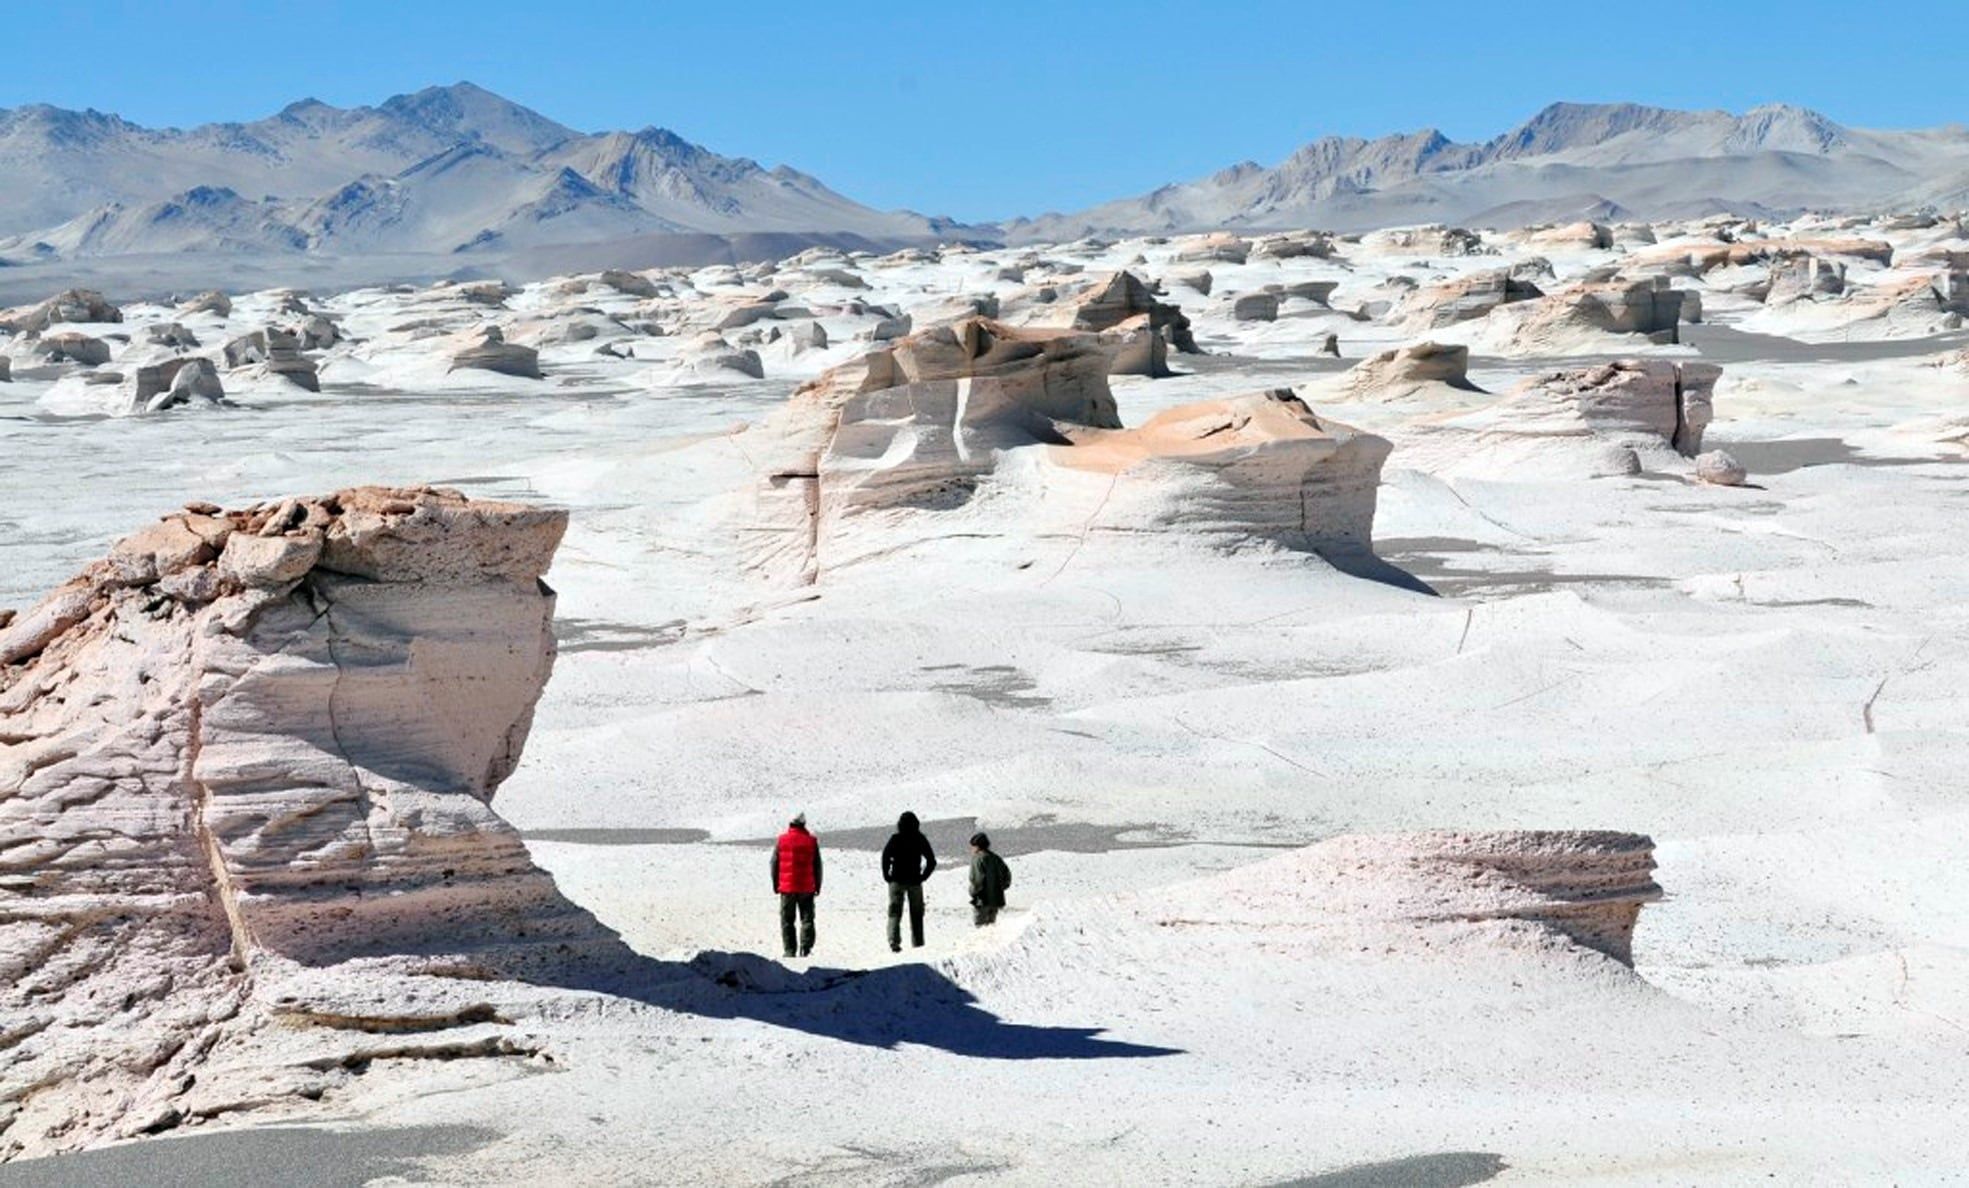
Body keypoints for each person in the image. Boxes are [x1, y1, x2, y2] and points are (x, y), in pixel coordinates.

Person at [880, 811, 937, 952]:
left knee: (894, 912)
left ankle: (894, 941)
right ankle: (918, 943)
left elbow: (885, 857)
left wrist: (886, 874)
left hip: (896, 880)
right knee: (917, 913)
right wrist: (923, 876)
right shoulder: (919, 839)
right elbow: (931, 861)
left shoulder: (895, 839)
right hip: (914, 881)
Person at [770, 812, 822, 959]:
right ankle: (805, 948)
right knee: (807, 919)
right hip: (807, 887)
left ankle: (789, 950)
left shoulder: (782, 840)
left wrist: (776, 884)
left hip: (787, 888)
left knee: (787, 920)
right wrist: (818, 885)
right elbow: (817, 865)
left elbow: (774, 863)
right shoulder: (811, 841)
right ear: (804, 824)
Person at [968, 832, 1011, 926]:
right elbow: (1007, 877)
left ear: (977, 846)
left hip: (982, 901)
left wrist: (973, 893)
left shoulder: (977, 859)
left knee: (980, 931)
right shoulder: (996, 858)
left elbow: (976, 880)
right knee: (990, 929)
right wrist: (998, 889)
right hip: (995, 901)